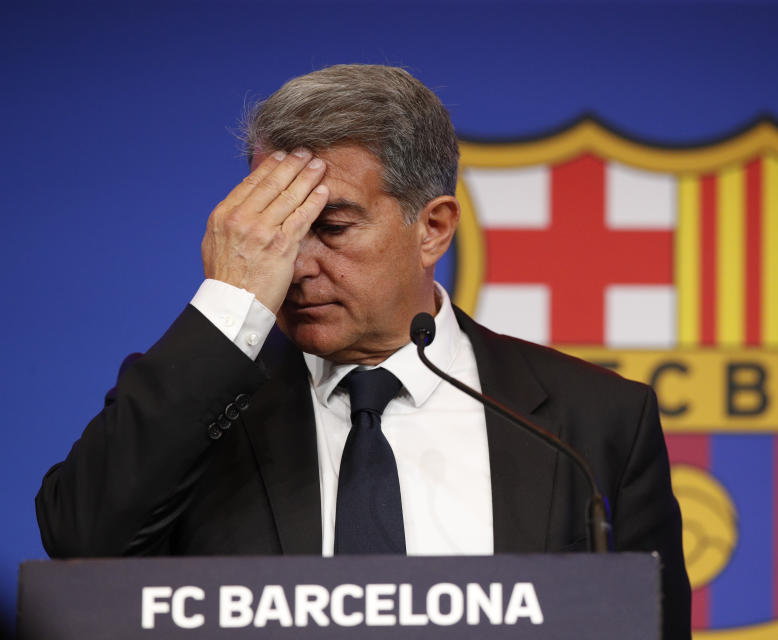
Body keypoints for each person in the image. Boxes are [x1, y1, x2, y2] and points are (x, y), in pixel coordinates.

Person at [36, 64, 691, 638]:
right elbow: (82, 546)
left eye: (331, 227)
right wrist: (229, 302)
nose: (293, 266)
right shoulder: (200, 407)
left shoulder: (592, 421)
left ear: (432, 228)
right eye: (275, 229)